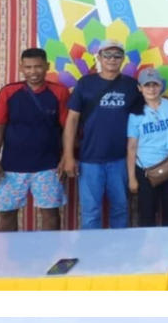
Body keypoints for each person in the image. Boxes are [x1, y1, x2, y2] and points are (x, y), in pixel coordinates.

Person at [58, 41, 143, 230]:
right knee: (90, 211)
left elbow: (139, 123)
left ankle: (119, 252)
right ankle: (91, 254)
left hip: (120, 159)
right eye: (107, 55)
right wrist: (69, 156)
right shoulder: (86, 83)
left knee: (121, 208)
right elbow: (72, 120)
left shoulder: (131, 86)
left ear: (123, 59)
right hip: (90, 159)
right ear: (99, 58)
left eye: (117, 55)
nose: (112, 59)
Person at [0, 48, 71, 231]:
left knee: (50, 213)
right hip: (11, 166)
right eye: (28, 67)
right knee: (6, 212)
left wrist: (66, 157)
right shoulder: (8, 92)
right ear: (21, 67)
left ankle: (50, 255)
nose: (33, 72)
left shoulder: (59, 92)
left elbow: (68, 127)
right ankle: (8, 257)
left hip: (48, 165)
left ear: (47, 67)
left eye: (38, 67)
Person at [126, 71, 168, 228]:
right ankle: (148, 251)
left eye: (154, 84)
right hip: (146, 169)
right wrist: (132, 177)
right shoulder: (136, 113)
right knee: (147, 214)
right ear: (139, 88)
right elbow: (132, 147)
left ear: (161, 85)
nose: (151, 89)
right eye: (146, 85)